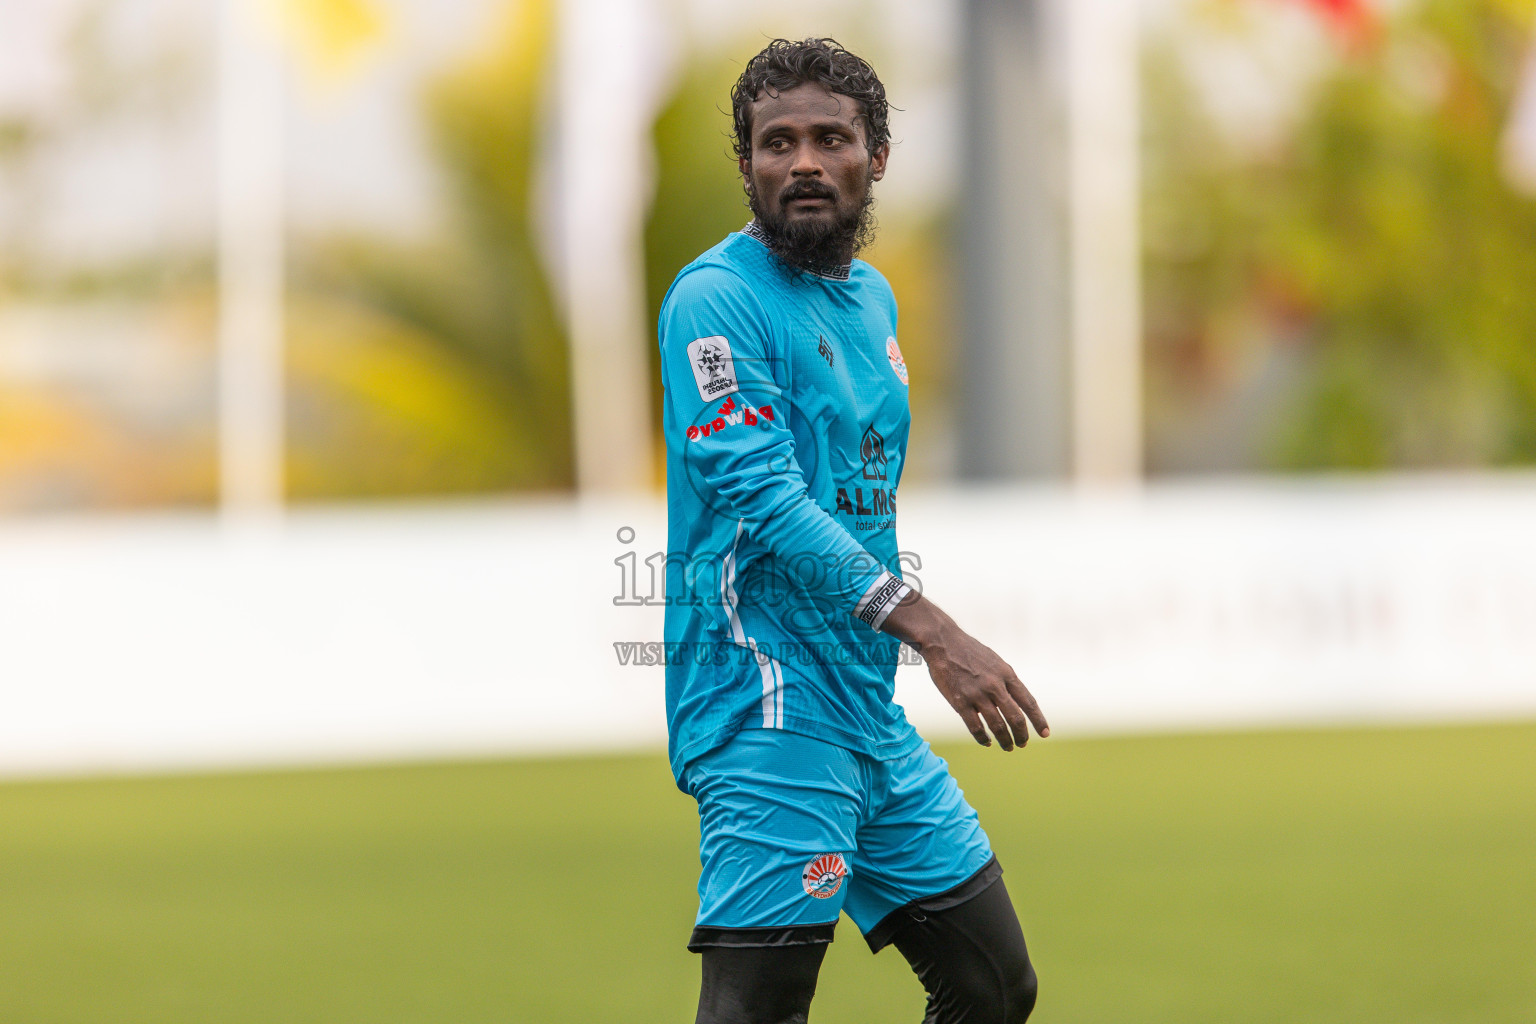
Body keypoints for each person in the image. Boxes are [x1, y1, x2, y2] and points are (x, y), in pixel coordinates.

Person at [657, 38, 1050, 1024]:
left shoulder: (871, 299)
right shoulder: (716, 300)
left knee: (993, 990)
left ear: (875, 157)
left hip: (864, 705)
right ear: (746, 164)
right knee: (758, 1007)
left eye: (829, 138)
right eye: (774, 141)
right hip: (766, 701)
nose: (801, 161)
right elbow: (769, 502)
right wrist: (936, 632)